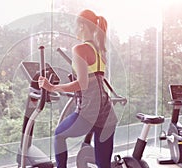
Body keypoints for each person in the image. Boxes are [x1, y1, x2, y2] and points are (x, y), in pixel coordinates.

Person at [38, 9, 117, 168]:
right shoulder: (100, 50)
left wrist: (52, 87)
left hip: (88, 115)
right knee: (104, 165)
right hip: (108, 115)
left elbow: (82, 83)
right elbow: (93, 82)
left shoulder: (79, 49)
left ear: (81, 25)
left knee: (59, 135)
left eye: (76, 25)